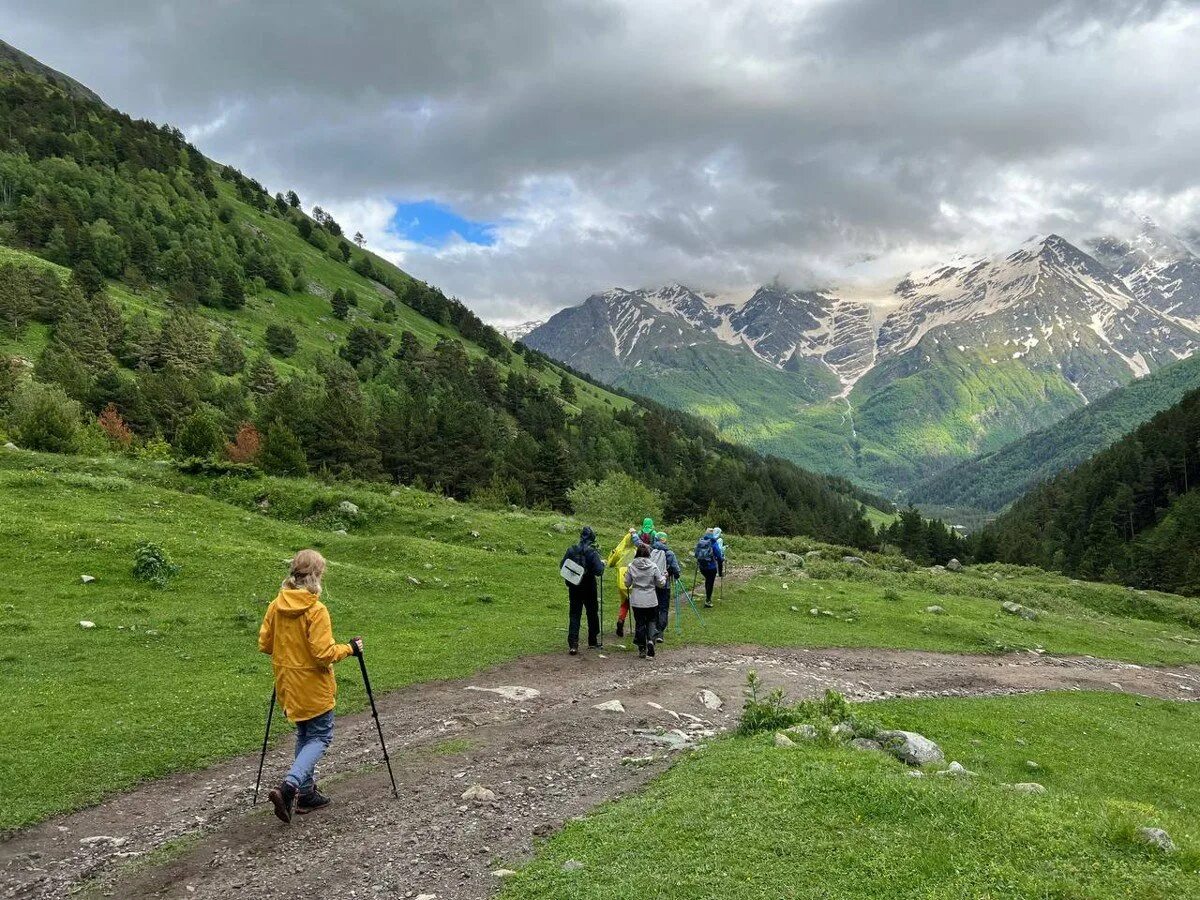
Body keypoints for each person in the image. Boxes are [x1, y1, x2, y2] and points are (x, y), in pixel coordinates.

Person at [258, 549, 362, 823]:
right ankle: (290, 786)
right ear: (316, 576)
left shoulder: (276, 605)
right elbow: (323, 654)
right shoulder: (315, 610)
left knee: (305, 735)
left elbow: (265, 644)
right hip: (313, 685)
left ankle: (304, 793)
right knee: (320, 737)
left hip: (288, 684)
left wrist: (289, 653)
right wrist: (350, 649)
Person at [561, 526, 606, 654]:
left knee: (575, 614)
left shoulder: (572, 549)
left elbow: (562, 566)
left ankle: (573, 644)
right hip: (589, 586)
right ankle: (592, 641)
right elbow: (599, 571)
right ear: (592, 538)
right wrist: (602, 564)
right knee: (592, 613)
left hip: (574, 586)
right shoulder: (592, 552)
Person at [624, 542, 666, 658]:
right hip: (651, 598)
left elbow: (627, 583)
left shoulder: (631, 566)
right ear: (648, 553)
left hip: (637, 600)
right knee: (652, 621)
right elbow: (661, 583)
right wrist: (664, 577)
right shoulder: (653, 566)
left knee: (640, 623)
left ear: (637, 553)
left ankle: (642, 648)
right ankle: (651, 641)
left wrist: (627, 578)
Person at [606, 526, 640, 637]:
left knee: (624, 603)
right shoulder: (636, 551)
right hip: (634, 578)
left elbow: (610, 563)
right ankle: (638, 626)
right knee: (636, 603)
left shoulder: (620, 550)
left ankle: (621, 621)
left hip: (621, 578)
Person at [650, 531, 681, 641]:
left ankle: (652, 629)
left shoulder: (650, 550)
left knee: (654, 606)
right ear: (665, 540)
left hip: (652, 584)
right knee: (663, 608)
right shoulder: (669, 553)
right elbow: (676, 569)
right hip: (665, 584)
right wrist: (674, 574)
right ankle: (660, 632)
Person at [694, 529, 724, 609]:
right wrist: (721, 560)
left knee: (707, 580)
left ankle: (708, 598)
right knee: (710, 582)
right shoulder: (713, 543)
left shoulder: (701, 541)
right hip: (711, 567)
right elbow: (718, 554)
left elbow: (696, 553)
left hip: (702, 567)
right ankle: (708, 600)